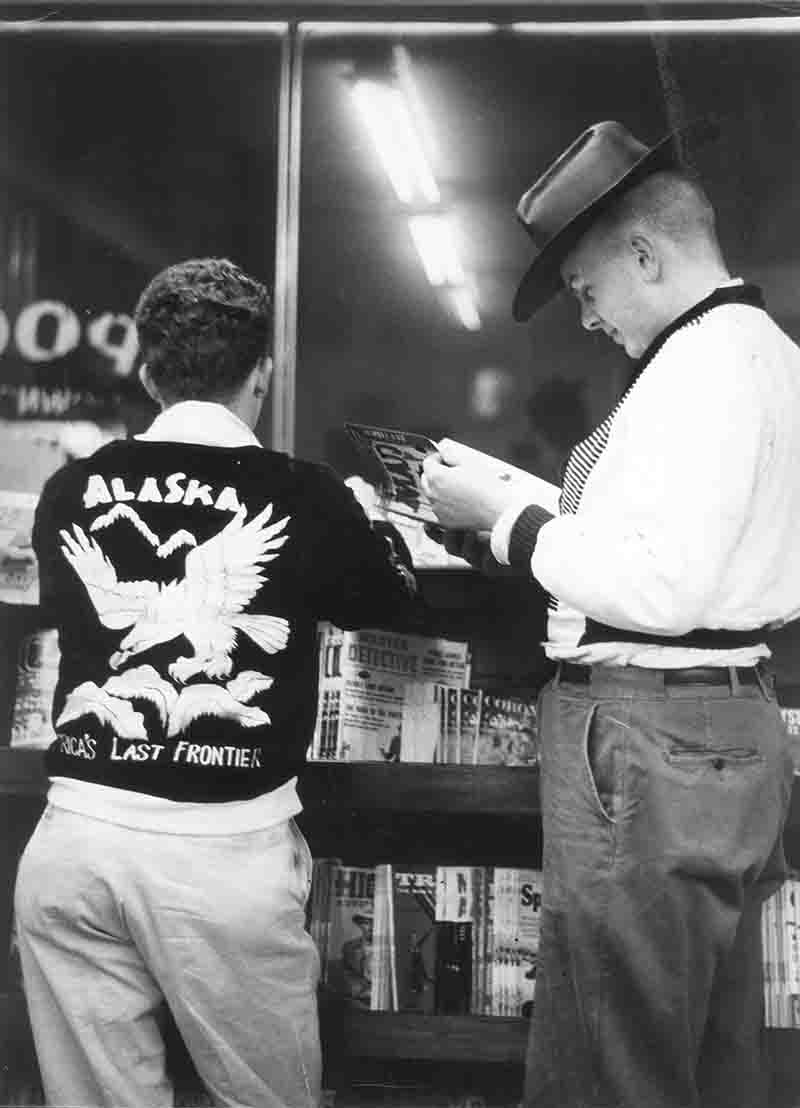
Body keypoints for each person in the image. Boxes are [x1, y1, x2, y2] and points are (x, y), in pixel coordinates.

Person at [421, 120, 800, 1108]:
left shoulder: (698, 372)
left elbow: (658, 588)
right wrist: (521, 503)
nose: (585, 318)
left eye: (586, 289)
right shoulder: (761, 354)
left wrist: (502, 517)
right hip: (721, 726)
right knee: (707, 1052)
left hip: (649, 732)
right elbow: (671, 549)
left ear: (642, 253)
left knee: (611, 1058)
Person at [14, 257, 419, 1108]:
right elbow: (388, 599)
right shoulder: (304, 495)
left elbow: (69, 607)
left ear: (147, 369)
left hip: (74, 841)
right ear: (263, 372)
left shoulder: (69, 487)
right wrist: (371, 522)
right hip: (220, 860)